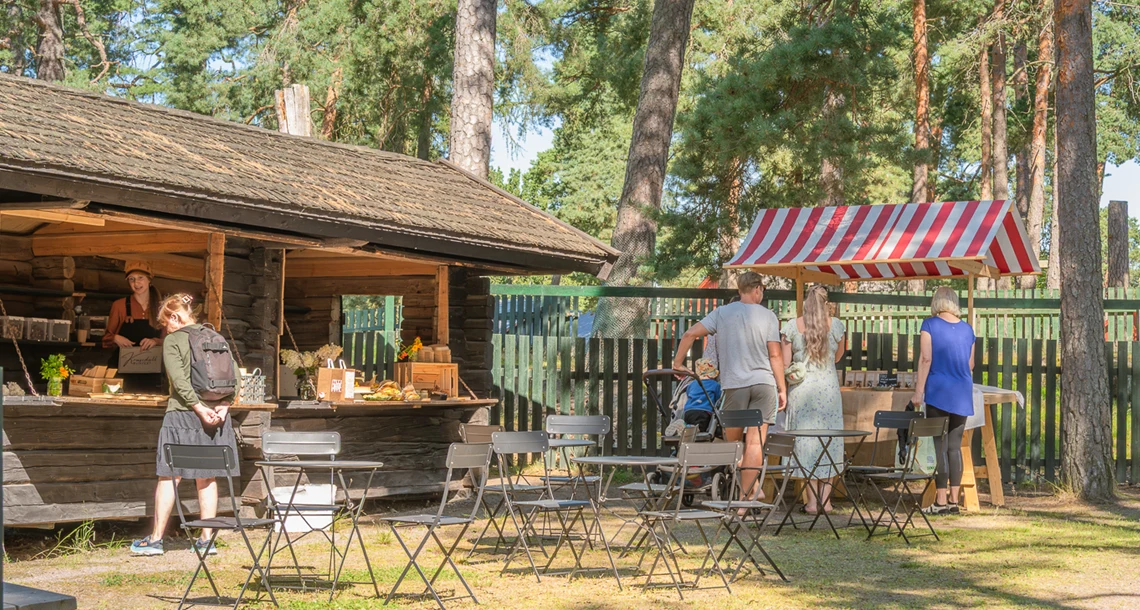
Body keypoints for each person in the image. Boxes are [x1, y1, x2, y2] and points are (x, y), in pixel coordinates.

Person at [131, 294, 241, 556]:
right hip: (216, 417)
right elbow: (236, 376)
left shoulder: (173, 340)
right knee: (207, 477)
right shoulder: (217, 337)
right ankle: (206, 541)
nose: (165, 329)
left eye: (165, 323)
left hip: (182, 415)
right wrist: (224, 405)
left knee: (169, 475)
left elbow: (179, 381)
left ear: (175, 317)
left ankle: (156, 540)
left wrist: (199, 408)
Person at [672, 272, 786, 500]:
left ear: (739, 290)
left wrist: (677, 363)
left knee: (731, 442)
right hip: (764, 385)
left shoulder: (722, 313)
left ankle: (749, 491)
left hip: (735, 386)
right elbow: (775, 355)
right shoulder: (769, 316)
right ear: (757, 289)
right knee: (755, 442)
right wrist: (782, 388)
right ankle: (748, 496)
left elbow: (689, 334)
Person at [781, 286, 847, 515]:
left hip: (802, 391)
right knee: (830, 442)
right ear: (826, 303)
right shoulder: (836, 325)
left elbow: (785, 363)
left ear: (806, 303)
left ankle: (810, 502)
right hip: (828, 390)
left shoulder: (792, 326)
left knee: (806, 444)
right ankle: (826, 501)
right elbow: (838, 357)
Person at [912, 286, 975, 516]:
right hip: (962, 392)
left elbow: (926, 358)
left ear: (936, 302)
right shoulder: (968, 330)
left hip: (938, 391)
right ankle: (954, 501)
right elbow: (970, 365)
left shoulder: (929, 325)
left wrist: (919, 391)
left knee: (940, 446)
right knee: (954, 447)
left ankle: (939, 501)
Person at [103, 261, 165, 390]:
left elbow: (170, 341)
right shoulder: (119, 305)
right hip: (123, 371)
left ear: (149, 280)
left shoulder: (162, 307)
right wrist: (115, 338)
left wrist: (155, 341)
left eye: (140, 278)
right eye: (132, 279)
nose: (136, 283)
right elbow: (106, 339)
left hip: (152, 373)